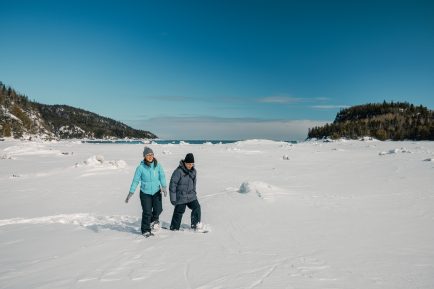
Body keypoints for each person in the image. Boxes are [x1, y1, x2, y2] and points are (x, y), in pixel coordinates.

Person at [125, 147, 167, 237]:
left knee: (158, 209)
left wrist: (164, 187)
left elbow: (162, 176)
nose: (150, 156)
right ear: (144, 156)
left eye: (151, 154)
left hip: (156, 191)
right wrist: (131, 192)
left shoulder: (158, 165)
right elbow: (135, 181)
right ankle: (145, 230)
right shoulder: (140, 167)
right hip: (145, 193)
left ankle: (153, 222)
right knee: (147, 211)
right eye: (148, 155)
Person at [169, 153, 203, 231]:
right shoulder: (178, 171)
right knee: (179, 211)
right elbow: (172, 185)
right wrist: (173, 198)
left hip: (191, 196)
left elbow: (194, 184)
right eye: (188, 164)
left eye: (191, 164)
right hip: (181, 196)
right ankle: (174, 228)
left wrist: (194, 193)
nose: (190, 165)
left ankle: (195, 225)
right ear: (185, 162)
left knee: (197, 207)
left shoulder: (194, 171)